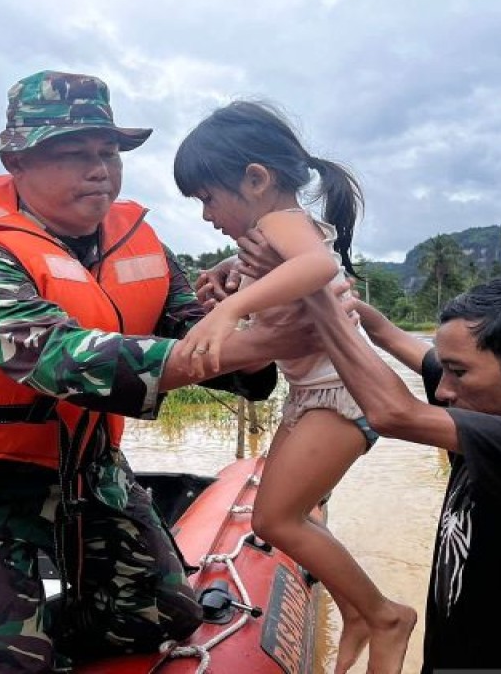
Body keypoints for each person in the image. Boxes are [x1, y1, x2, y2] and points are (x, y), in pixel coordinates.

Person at [0, 71, 313, 674]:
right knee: (13, 663)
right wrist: (236, 348)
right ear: (17, 161)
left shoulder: (139, 244)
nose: (100, 170)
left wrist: (250, 302)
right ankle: (7, 646)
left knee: (165, 612)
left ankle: (34, 635)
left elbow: (194, 325)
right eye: (73, 155)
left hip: (89, 465)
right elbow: (57, 359)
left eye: (109, 153)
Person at [173, 100, 417, 674]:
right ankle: (361, 609)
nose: (206, 214)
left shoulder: (284, 222)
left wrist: (227, 314)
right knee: (284, 515)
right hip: (311, 394)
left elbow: (315, 268)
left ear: (256, 180)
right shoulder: (263, 237)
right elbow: (281, 279)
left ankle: (385, 616)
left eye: (209, 197)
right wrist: (226, 284)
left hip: (341, 395)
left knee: (275, 520)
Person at [284, 270, 501, 672]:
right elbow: (388, 333)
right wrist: (331, 295)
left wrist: (317, 302)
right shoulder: (486, 407)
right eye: (445, 370)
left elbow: (394, 414)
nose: (444, 390)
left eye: (458, 372)